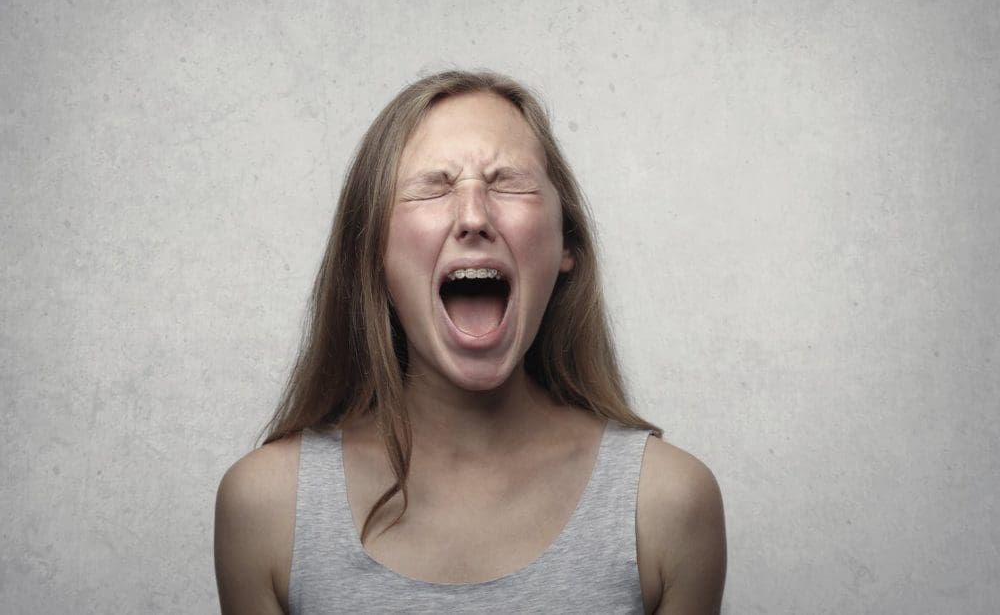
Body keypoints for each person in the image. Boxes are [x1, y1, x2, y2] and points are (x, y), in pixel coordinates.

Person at [214, 70, 726, 614]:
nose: (474, 216)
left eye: (508, 181)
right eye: (432, 186)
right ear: (372, 255)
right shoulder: (267, 510)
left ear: (566, 244)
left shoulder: (668, 504)